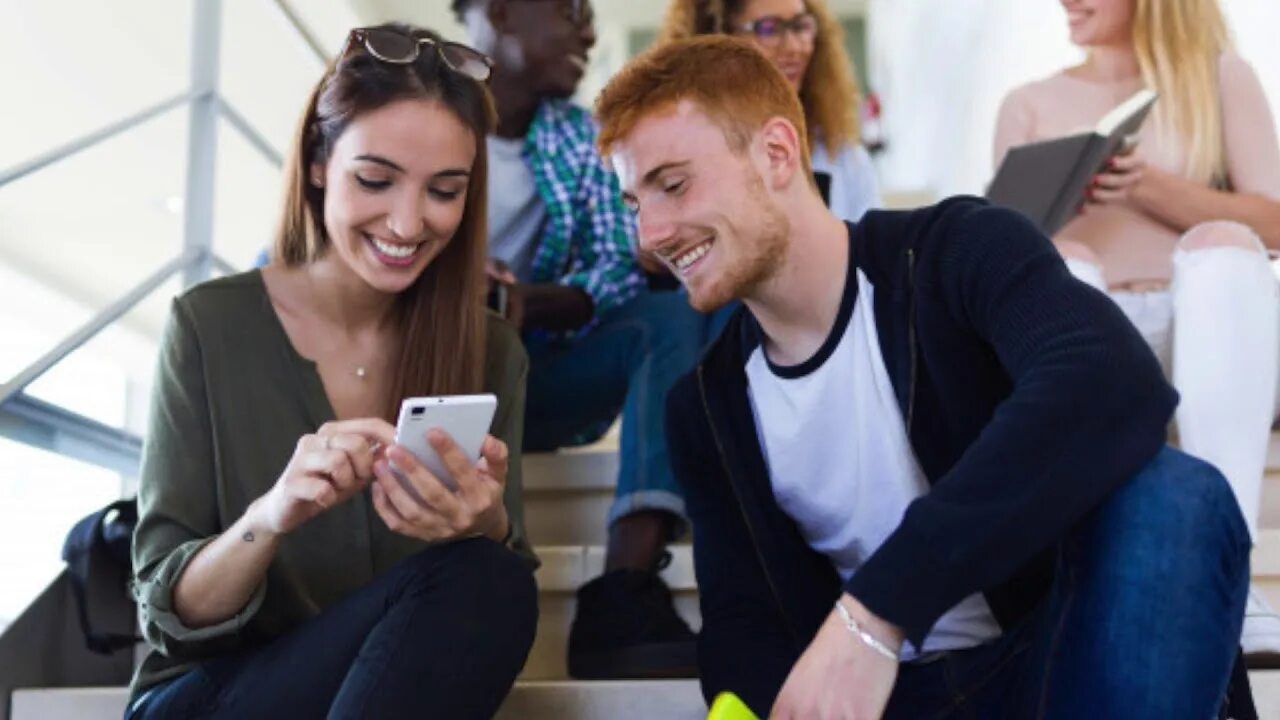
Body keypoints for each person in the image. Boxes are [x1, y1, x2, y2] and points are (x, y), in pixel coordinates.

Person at [595, 35, 1252, 718]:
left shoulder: (953, 252)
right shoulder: (706, 404)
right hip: (886, 704)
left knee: (1178, 493)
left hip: (1052, 668)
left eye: (672, 185)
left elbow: (1110, 381)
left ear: (777, 153)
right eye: (635, 203)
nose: (651, 233)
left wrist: (879, 609)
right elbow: (741, 631)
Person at [126, 24, 537, 719]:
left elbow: (489, 607)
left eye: (444, 190)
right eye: (375, 180)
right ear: (319, 162)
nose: (408, 223)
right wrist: (274, 512)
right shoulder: (208, 326)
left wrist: (487, 522)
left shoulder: (491, 350)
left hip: (384, 687)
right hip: (215, 698)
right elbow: (171, 612)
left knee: (492, 577)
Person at [994, 0, 1280, 664]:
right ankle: (1092, 568)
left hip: (1199, 326)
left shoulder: (1219, 77)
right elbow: (1007, 252)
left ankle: (1230, 565)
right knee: (1064, 264)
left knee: (1227, 245)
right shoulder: (1027, 103)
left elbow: (1274, 223)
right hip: (1093, 328)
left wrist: (1147, 186)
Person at [451, 0, 703, 679]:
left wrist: (520, 303)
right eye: (571, 9)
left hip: (532, 381)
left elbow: (619, 262)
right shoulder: (415, 114)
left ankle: (624, 590)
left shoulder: (580, 137)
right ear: (499, 12)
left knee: (672, 312)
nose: (588, 30)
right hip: (416, 383)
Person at [658, 0, 881, 225]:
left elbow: (869, 254)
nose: (794, 47)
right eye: (769, 29)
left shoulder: (841, 155)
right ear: (718, 41)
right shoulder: (679, 156)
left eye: (800, 26)